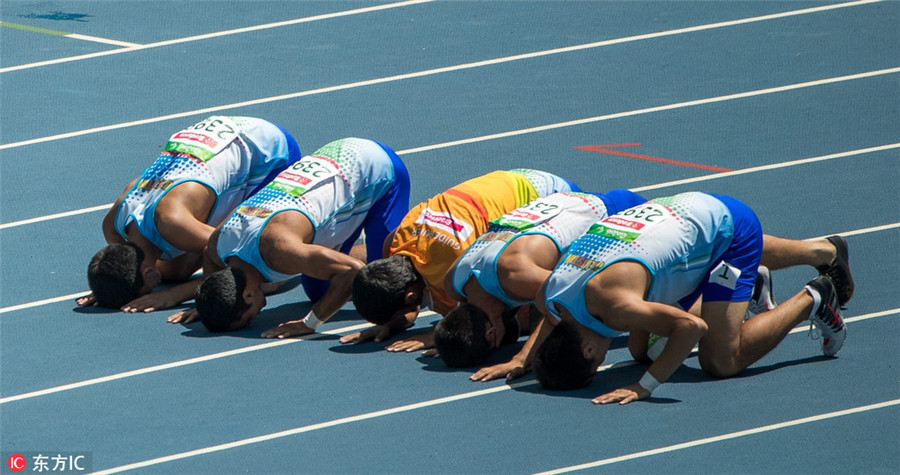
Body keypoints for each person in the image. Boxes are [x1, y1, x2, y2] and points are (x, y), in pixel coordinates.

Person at [530, 191, 853, 405]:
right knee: (641, 350)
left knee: (720, 361)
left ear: (588, 351)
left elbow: (690, 326)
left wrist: (645, 386)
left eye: (596, 365)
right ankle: (821, 250)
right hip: (670, 210)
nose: (602, 361)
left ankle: (813, 297)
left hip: (728, 231)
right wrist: (523, 360)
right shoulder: (550, 297)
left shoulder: (618, 307)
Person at [170, 137, 410, 334]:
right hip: (331, 161)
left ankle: (417, 240)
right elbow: (209, 257)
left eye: (247, 320)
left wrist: (309, 324)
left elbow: (351, 272)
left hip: (376, 167)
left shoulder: (280, 252)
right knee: (320, 294)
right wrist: (209, 302)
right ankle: (356, 251)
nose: (254, 319)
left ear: (248, 294)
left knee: (386, 292)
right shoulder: (220, 245)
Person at [78, 116, 301, 311]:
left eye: (147, 289)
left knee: (259, 278)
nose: (151, 291)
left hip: (272, 150)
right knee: (173, 272)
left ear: (147, 272)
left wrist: (174, 295)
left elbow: (242, 262)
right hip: (210, 136)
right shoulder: (113, 227)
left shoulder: (173, 221)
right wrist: (108, 288)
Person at [344, 169, 581, 349]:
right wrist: (390, 323)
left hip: (557, 198)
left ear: (410, 295)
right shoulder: (396, 242)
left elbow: (474, 323)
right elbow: (413, 300)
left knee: (514, 321)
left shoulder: (453, 269)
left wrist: (435, 336)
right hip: (517, 178)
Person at [435, 189, 646, 367]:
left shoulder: (517, 276)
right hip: (565, 200)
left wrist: (522, 358)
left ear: (491, 334)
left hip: (621, 213)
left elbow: (572, 298)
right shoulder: (454, 282)